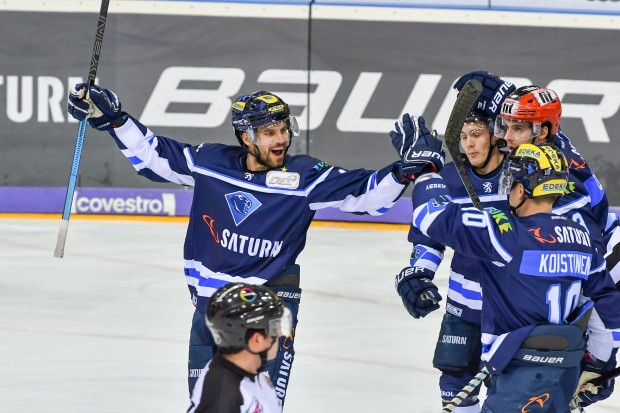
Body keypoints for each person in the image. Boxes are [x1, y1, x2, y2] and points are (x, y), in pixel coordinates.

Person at [66, 83, 418, 401]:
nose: (280, 139)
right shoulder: (210, 163)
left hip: (268, 307)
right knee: (206, 405)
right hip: (210, 308)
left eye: (283, 129)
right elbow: (153, 155)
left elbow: (366, 194)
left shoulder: (304, 177)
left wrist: (405, 171)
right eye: (269, 132)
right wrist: (116, 120)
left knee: (258, 406)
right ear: (247, 137)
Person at [400, 117, 620, 412]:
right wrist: (600, 365)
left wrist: (427, 171)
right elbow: (606, 306)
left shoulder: (507, 235)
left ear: (519, 190)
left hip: (518, 371)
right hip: (563, 370)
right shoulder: (582, 238)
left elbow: (432, 217)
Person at [393, 107, 509, 412]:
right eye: (463, 137)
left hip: (511, 313)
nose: (468, 144)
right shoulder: (448, 178)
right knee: (454, 386)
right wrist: (419, 272)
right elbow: (429, 236)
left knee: (507, 396)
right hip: (463, 309)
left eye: (476, 134)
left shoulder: (520, 178)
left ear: (497, 135)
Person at [188, 283, 290, 413]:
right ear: (256, 339)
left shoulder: (254, 375)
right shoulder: (223, 396)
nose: (280, 333)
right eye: (275, 327)